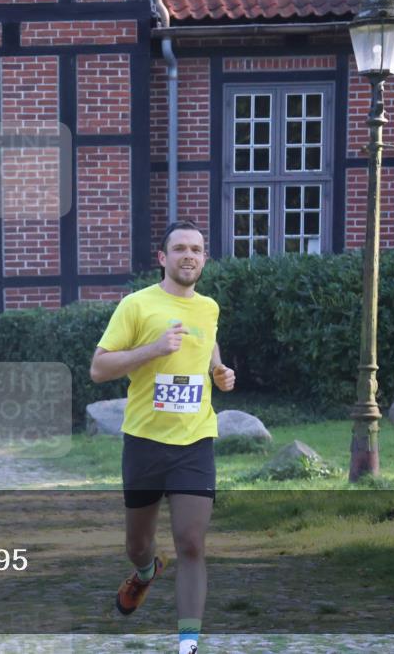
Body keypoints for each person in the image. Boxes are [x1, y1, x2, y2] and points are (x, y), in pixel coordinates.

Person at [89, 220, 235, 654]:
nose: (189, 255)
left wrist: (218, 371)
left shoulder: (209, 308)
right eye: (180, 249)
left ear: (205, 258)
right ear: (162, 257)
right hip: (145, 442)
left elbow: (207, 346)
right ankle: (147, 572)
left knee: (192, 542)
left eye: (197, 249)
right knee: (137, 545)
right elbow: (99, 368)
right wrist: (152, 349)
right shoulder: (136, 306)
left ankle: (187, 644)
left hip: (195, 441)